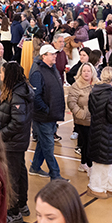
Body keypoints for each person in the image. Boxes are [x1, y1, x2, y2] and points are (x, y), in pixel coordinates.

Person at [0, 62, 33, 223]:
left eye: (2, 73)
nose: (0, 76)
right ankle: (22, 204)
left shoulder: (17, 94)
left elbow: (18, 122)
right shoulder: (20, 90)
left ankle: (13, 212)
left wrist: (0, 136)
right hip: (18, 142)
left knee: (12, 177)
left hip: (12, 142)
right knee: (20, 172)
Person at [85, 66, 112, 199]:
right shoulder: (111, 95)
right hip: (106, 130)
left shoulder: (94, 92)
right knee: (102, 161)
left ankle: (111, 186)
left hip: (96, 129)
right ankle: (94, 187)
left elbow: (92, 110)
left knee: (108, 161)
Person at [29, 45, 67, 181]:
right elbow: (35, 96)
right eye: (52, 54)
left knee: (43, 143)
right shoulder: (38, 73)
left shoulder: (52, 69)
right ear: (44, 56)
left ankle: (35, 167)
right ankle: (55, 174)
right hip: (43, 116)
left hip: (51, 115)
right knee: (48, 145)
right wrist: (46, 109)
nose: (55, 56)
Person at [68, 62, 97, 176]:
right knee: (88, 141)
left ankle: (84, 163)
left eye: (88, 71)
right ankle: (89, 165)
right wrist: (80, 113)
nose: (86, 73)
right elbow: (71, 102)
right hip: (82, 119)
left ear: (92, 72)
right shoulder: (76, 86)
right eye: (84, 71)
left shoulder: (96, 84)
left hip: (94, 118)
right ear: (80, 72)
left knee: (88, 142)